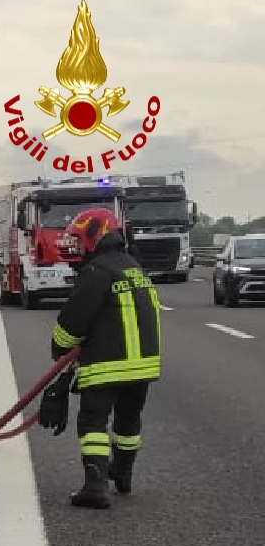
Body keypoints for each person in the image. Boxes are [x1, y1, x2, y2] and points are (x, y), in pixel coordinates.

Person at [46, 207, 161, 509]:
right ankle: (122, 473)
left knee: (92, 421)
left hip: (107, 365)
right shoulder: (134, 268)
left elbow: (73, 320)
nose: (77, 246)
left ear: (95, 235)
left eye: (79, 239)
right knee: (128, 419)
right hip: (143, 366)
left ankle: (95, 486)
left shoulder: (96, 271)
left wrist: (59, 349)